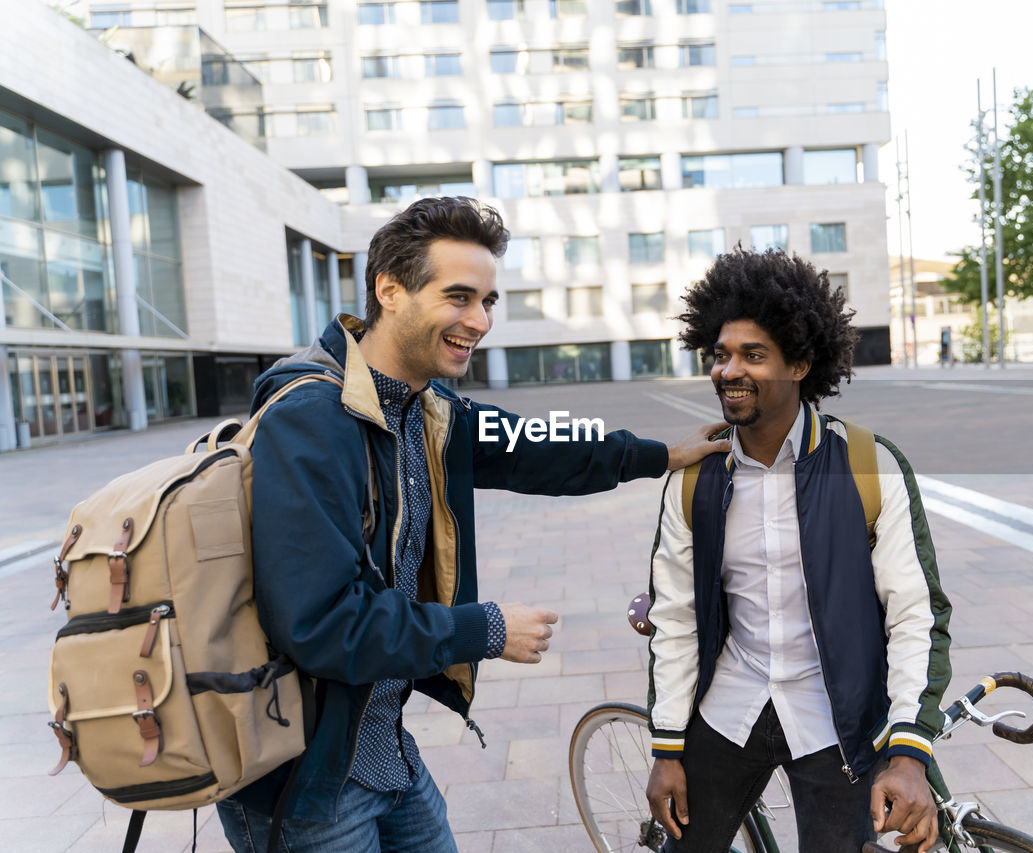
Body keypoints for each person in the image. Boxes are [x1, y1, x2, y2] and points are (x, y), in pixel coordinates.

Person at [216, 197, 729, 851]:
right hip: (306, 782)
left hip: (381, 752)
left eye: (488, 301)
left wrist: (662, 454)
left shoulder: (424, 407)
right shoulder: (312, 421)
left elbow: (542, 444)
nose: (479, 321)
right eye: (459, 297)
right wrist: (484, 628)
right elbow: (323, 625)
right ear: (390, 290)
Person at [644, 248, 952, 852]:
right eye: (721, 354)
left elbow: (916, 613)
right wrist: (666, 748)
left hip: (837, 722)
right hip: (730, 704)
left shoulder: (869, 465)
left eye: (753, 355)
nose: (728, 370)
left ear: (801, 364)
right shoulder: (694, 479)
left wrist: (909, 749)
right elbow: (675, 618)